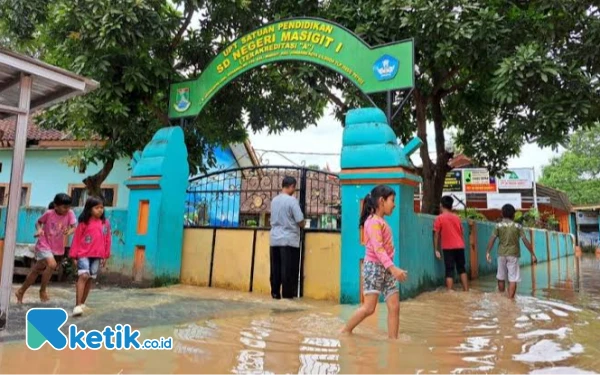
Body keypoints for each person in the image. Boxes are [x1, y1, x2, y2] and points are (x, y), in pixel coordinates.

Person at [341, 185, 408, 339]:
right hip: (375, 268)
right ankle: (345, 331)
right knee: (369, 308)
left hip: (387, 268)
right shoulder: (372, 222)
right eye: (392, 200)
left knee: (394, 306)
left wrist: (391, 269)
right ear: (381, 201)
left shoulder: (381, 221)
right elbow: (378, 250)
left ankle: (393, 341)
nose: (394, 204)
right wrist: (394, 269)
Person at [15, 194, 76, 303]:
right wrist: (39, 230)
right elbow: (38, 223)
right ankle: (42, 290)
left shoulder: (70, 213)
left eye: (68, 207)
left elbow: (74, 227)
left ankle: (21, 291)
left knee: (36, 270)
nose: (67, 209)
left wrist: (69, 232)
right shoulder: (49, 213)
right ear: (56, 206)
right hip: (44, 243)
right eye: (64, 207)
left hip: (56, 245)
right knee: (52, 265)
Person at [70, 196, 111, 316]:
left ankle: (82, 303)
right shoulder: (84, 223)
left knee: (90, 278)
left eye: (102, 207)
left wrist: (105, 256)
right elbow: (76, 239)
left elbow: (107, 240)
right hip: (83, 253)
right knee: (83, 276)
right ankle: (77, 305)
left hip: (98, 255)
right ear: (89, 209)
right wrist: (73, 256)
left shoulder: (105, 223)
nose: (100, 210)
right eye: (97, 207)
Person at [486, 204, 537, 299]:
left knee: (500, 277)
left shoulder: (498, 226)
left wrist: (488, 252)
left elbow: (492, 239)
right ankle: (510, 301)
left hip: (501, 254)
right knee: (513, 278)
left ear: (502, 214)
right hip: (513, 255)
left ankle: (501, 298)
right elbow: (525, 240)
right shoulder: (518, 226)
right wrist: (533, 254)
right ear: (513, 215)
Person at [269, 176, 305, 299]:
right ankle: (287, 298)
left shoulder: (274, 200)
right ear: (291, 186)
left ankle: (275, 294)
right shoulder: (292, 201)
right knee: (288, 271)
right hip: (289, 241)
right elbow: (300, 220)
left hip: (274, 240)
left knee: (276, 270)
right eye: (294, 187)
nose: (294, 190)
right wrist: (303, 224)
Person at [433, 196, 469, 291]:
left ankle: (450, 292)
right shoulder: (457, 218)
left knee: (449, 270)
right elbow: (461, 233)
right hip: (460, 246)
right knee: (462, 269)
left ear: (441, 205)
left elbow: (436, 235)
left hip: (448, 247)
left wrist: (436, 249)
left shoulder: (439, 218)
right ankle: (466, 290)